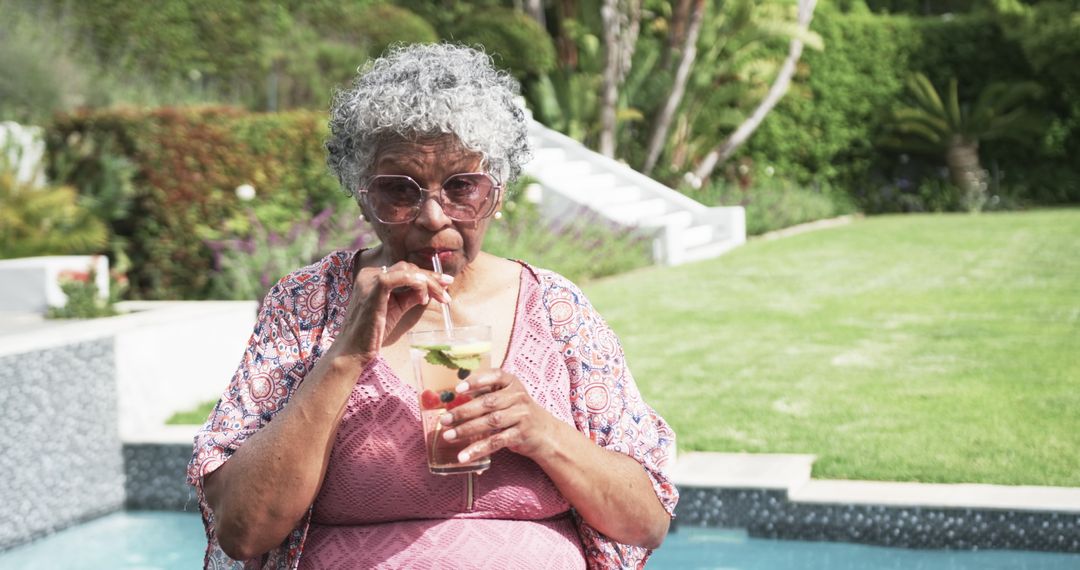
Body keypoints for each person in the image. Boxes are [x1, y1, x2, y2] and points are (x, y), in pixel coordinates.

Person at [187, 43, 678, 569]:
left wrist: (541, 431)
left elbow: (645, 522)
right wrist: (345, 355)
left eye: (462, 186)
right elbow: (244, 530)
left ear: (497, 193)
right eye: (400, 190)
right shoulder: (307, 305)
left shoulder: (556, 308)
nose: (433, 217)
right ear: (363, 196)